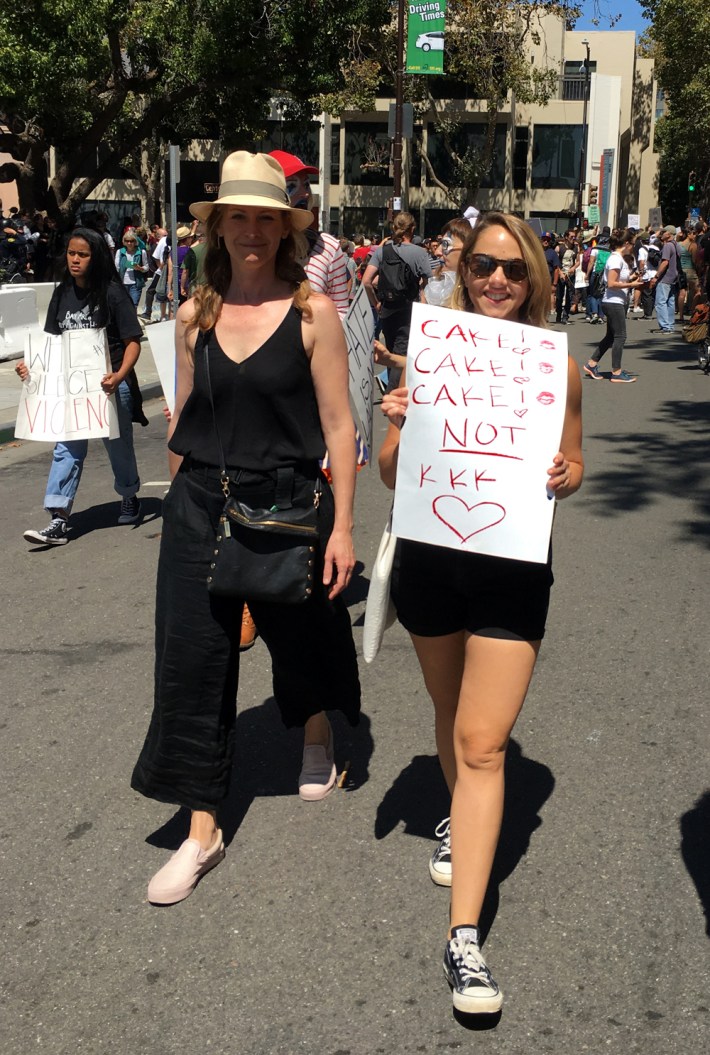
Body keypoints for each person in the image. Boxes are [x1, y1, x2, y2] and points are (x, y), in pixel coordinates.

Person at [131, 152, 361, 905]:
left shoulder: (310, 312)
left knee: (302, 635)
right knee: (193, 661)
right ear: (218, 227)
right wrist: (170, 510)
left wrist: (344, 527)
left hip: (290, 503)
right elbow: (183, 419)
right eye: (239, 216)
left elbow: (337, 425)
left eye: (266, 216)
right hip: (200, 502)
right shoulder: (193, 315)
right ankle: (202, 825)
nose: (252, 230)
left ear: (284, 227)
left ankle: (317, 732)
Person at [378, 211, 583, 1014]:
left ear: (534, 276)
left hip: (511, 572)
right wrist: (398, 426)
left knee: (483, 742)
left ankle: (464, 938)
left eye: (513, 268)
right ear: (463, 272)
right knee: (448, 711)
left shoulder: (554, 365)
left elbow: (573, 463)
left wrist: (567, 474)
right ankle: (453, 815)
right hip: (434, 561)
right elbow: (395, 474)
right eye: (483, 265)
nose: (496, 279)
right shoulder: (435, 354)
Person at [16, 227, 145, 545]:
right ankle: (58, 518)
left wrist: (119, 375)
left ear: (96, 258)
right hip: (72, 389)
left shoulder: (113, 294)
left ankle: (129, 495)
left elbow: (132, 343)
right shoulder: (61, 294)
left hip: (109, 388)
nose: (75, 260)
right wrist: (29, 366)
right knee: (67, 449)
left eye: (82, 255)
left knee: (119, 449)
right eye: (71, 253)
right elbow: (50, 342)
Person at [362, 212, 432, 390]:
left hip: (386, 309)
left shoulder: (382, 251)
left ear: (394, 228)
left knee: (390, 353)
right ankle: (392, 394)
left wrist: (376, 302)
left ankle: (392, 389)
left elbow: (366, 281)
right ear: (413, 229)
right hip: (409, 309)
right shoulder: (420, 253)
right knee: (401, 352)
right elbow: (428, 282)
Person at [583, 229, 646, 383]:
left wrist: (632, 277)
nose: (633, 247)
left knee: (611, 336)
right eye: (632, 244)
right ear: (625, 244)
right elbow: (611, 283)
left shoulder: (618, 259)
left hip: (615, 301)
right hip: (613, 302)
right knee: (620, 336)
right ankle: (616, 372)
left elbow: (618, 279)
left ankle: (592, 364)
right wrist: (632, 283)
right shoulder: (615, 259)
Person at [115, 230, 149, 307]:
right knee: (124, 306)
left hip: (136, 284)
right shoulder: (120, 252)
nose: (129, 243)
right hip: (123, 283)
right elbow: (116, 267)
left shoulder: (141, 252)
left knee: (134, 305)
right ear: (124, 241)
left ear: (135, 241)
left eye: (132, 241)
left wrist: (140, 268)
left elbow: (146, 267)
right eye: (127, 241)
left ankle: (133, 318)